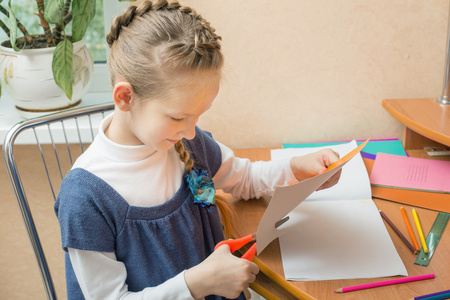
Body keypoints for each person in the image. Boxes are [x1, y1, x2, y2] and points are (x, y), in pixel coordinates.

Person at [54, 1, 341, 299]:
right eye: (178, 117)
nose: (191, 132)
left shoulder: (185, 142)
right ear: (125, 97)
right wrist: (195, 285)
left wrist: (296, 167)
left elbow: (245, 178)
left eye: (198, 115)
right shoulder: (85, 199)